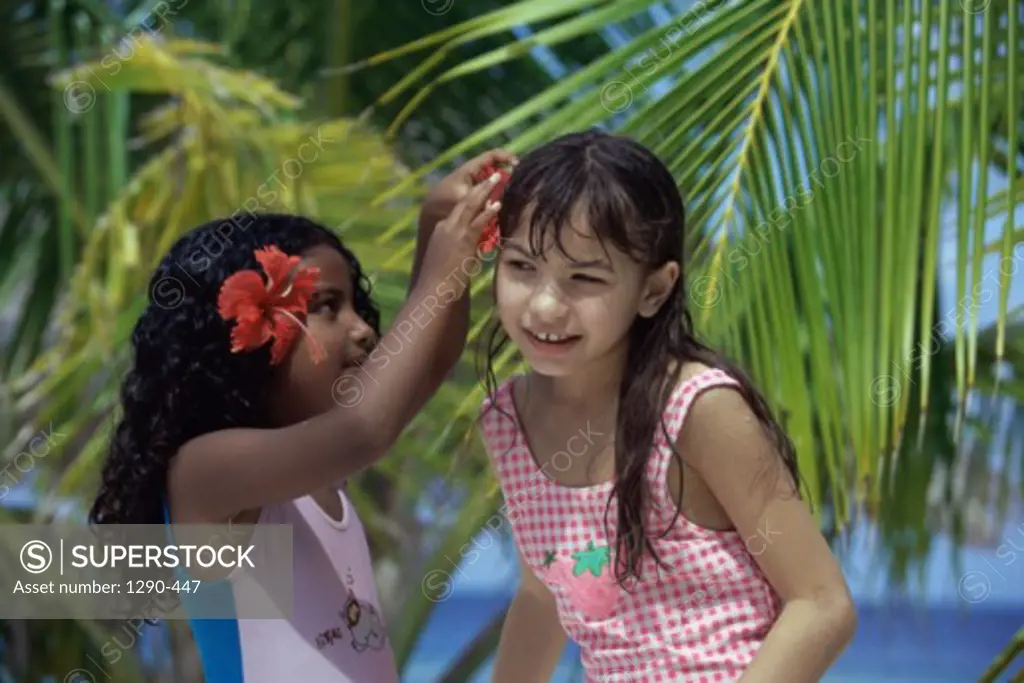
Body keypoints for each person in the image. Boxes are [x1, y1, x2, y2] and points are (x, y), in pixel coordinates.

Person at [87, 148, 515, 683]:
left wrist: (436, 224)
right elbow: (363, 431)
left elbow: (426, 366)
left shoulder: (305, 476)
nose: (362, 328)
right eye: (329, 307)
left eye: (357, 306)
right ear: (241, 341)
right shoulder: (205, 470)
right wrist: (442, 266)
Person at [477, 131, 856, 682]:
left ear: (654, 290)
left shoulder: (697, 411)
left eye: (584, 277)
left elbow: (822, 604)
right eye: (521, 267)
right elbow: (542, 595)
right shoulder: (507, 422)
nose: (544, 304)